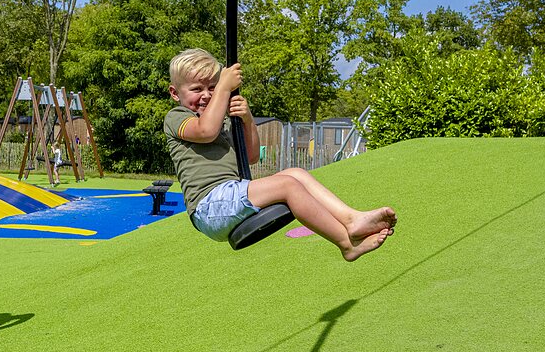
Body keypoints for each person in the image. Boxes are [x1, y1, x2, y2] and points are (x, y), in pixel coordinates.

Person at [163, 48, 395, 261]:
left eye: (212, 87)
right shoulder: (177, 117)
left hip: (231, 196)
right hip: (209, 207)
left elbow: (251, 156)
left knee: (296, 173)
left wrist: (246, 119)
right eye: (196, 89)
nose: (205, 95)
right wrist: (224, 87)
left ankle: (351, 219)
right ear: (175, 93)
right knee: (288, 185)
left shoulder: (223, 124)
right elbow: (205, 130)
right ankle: (347, 244)